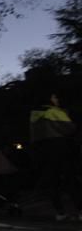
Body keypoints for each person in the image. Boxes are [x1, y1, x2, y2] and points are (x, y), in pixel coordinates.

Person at [29, 90, 80, 221]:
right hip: (60, 146)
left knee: (53, 180)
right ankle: (79, 210)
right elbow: (70, 128)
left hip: (43, 149)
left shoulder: (34, 115)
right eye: (54, 97)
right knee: (71, 178)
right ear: (49, 100)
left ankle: (60, 212)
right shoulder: (54, 112)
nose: (56, 99)